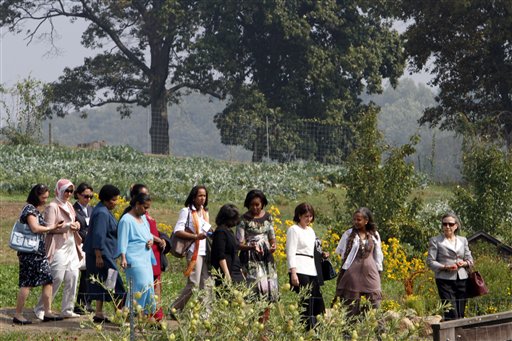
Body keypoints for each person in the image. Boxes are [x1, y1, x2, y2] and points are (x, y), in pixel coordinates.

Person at [13, 184, 64, 325]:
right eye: (43, 197)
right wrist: (52, 227)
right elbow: (35, 228)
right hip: (29, 253)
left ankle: (47, 312)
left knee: (48, 280)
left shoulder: (34, 209)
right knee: (27, 283)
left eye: (47, 197)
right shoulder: (29, 209)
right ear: (36, 196)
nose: (45, 200)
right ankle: (18, 314)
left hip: (38, 253)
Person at [34, 179, 82, 320]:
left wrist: (77, 225)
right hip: (58, 245)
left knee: (73, 276)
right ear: (59, 190)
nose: (68, 193)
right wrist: (67, 226)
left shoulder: (69, 206)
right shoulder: (52, 206)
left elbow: (74, 221)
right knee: (57, 277)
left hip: (71, 244)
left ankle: (67, 309)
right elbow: (49, 228)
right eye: (66, 190)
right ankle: (41, 308)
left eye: (71, 191)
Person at [83, 184, 126, 323]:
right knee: (116, 284)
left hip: (105, 253)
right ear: (106, 200)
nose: (115, 203)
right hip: (102, 254)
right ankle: (120, 315)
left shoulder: (103, 209)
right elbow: (98, 235)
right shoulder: (102, 213)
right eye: (113, 200)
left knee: (105, 283)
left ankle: (99, 313)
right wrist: (98, 255)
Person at [124, 184, 166, 320]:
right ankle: (132, 316)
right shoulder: (128, 217)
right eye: (143, 195)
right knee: (139, 287)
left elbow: (147, 232)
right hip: (137, 256)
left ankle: (150, 316)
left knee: (151, 286)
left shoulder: (143, 215)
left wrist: (158, 240)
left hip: (150, 253)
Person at [237, 189, 278, 324]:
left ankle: (264, 323)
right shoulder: (243, 220)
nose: (255, 208)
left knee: (269, 290)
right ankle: (254, 323)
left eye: (258, 205)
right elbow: (239, 243)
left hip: (266, 258)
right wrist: (251, 246)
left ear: (262, 204)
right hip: (251, 259)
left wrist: (273, 246)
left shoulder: (268, 217)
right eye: (252, 205)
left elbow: (272, 237)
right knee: (257, 289)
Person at [170, 185, 212, 313]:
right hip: (194, 251)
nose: (202, 198)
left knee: (206, 283)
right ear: (193, 197)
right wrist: (195, 236)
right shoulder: (186, 211)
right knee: (193, 283)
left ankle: (205, 313)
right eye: (200, 196)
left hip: (205, 251)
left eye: (204, 196)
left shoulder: (205, 212)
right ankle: (175, 308)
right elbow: (178, 230)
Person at [334, 207, 383, 315]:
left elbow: (378, 254)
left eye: (359, 220)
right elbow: (343, 254)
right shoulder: (349, 234)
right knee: (351, 306)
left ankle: (380, 331)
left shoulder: (374, 235)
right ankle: (349, 331)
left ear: (366, 221)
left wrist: (379, 270)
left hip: (370, 272)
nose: (356, 222)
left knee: (375, 303)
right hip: (353, 274)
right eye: (354, 219)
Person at [286, 203, 326, 330]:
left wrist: (322, 254)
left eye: (310, 216)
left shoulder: (311, 231)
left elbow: (313, 249)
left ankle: (317, 329)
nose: (308, 219)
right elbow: (290, 251)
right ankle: (305, 329)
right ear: (299, 216)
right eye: (306, 216)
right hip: (300, 268)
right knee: (306, 301)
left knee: (317, 300)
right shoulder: (293, 229)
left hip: (312, 269)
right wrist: (293, 272)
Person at [427, 212, 474, 321]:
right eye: (445, 224)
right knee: (451, 311)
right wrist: (445, 266)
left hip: (462, 279)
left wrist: (464, 263)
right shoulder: (435, 240)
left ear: (456, 226)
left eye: (450, 224)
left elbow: (470, 259)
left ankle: (461, 335)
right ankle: (450, 336)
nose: (447, 226)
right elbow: (430, 261)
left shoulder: (463, 240)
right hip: (444, 280)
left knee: (461, 311)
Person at [118, 193, 156, 316]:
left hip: (145, 258)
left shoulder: (144, 219)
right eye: (145, 207)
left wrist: (150, 240)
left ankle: (142, 315)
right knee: (139, 286)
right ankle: (130, 314)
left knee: (148, 286)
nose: (146, 211)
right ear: (137, 204)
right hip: (133, 259)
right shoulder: (126, 220)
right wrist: (123, 257)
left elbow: (148, 234)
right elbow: (122, 239)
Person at [73, 182, 94, 314]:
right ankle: (77, 304)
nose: (88, 199)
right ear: (78, 195)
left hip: (89, 246)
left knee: (88, 276)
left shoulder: (92, 209)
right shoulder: (73, 209)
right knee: (75, 276)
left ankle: (85, 302)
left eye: (91, 196)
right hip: (78, 244)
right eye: (85, 196)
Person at [211, 204, 245, 286]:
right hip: (228, 272)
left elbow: (235, 252)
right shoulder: (221, 232)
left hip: (236, 271)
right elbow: (220, 256)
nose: (235, 222)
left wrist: (240, 271)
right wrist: (227, 275)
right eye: (233, 219)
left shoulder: (229, 231)